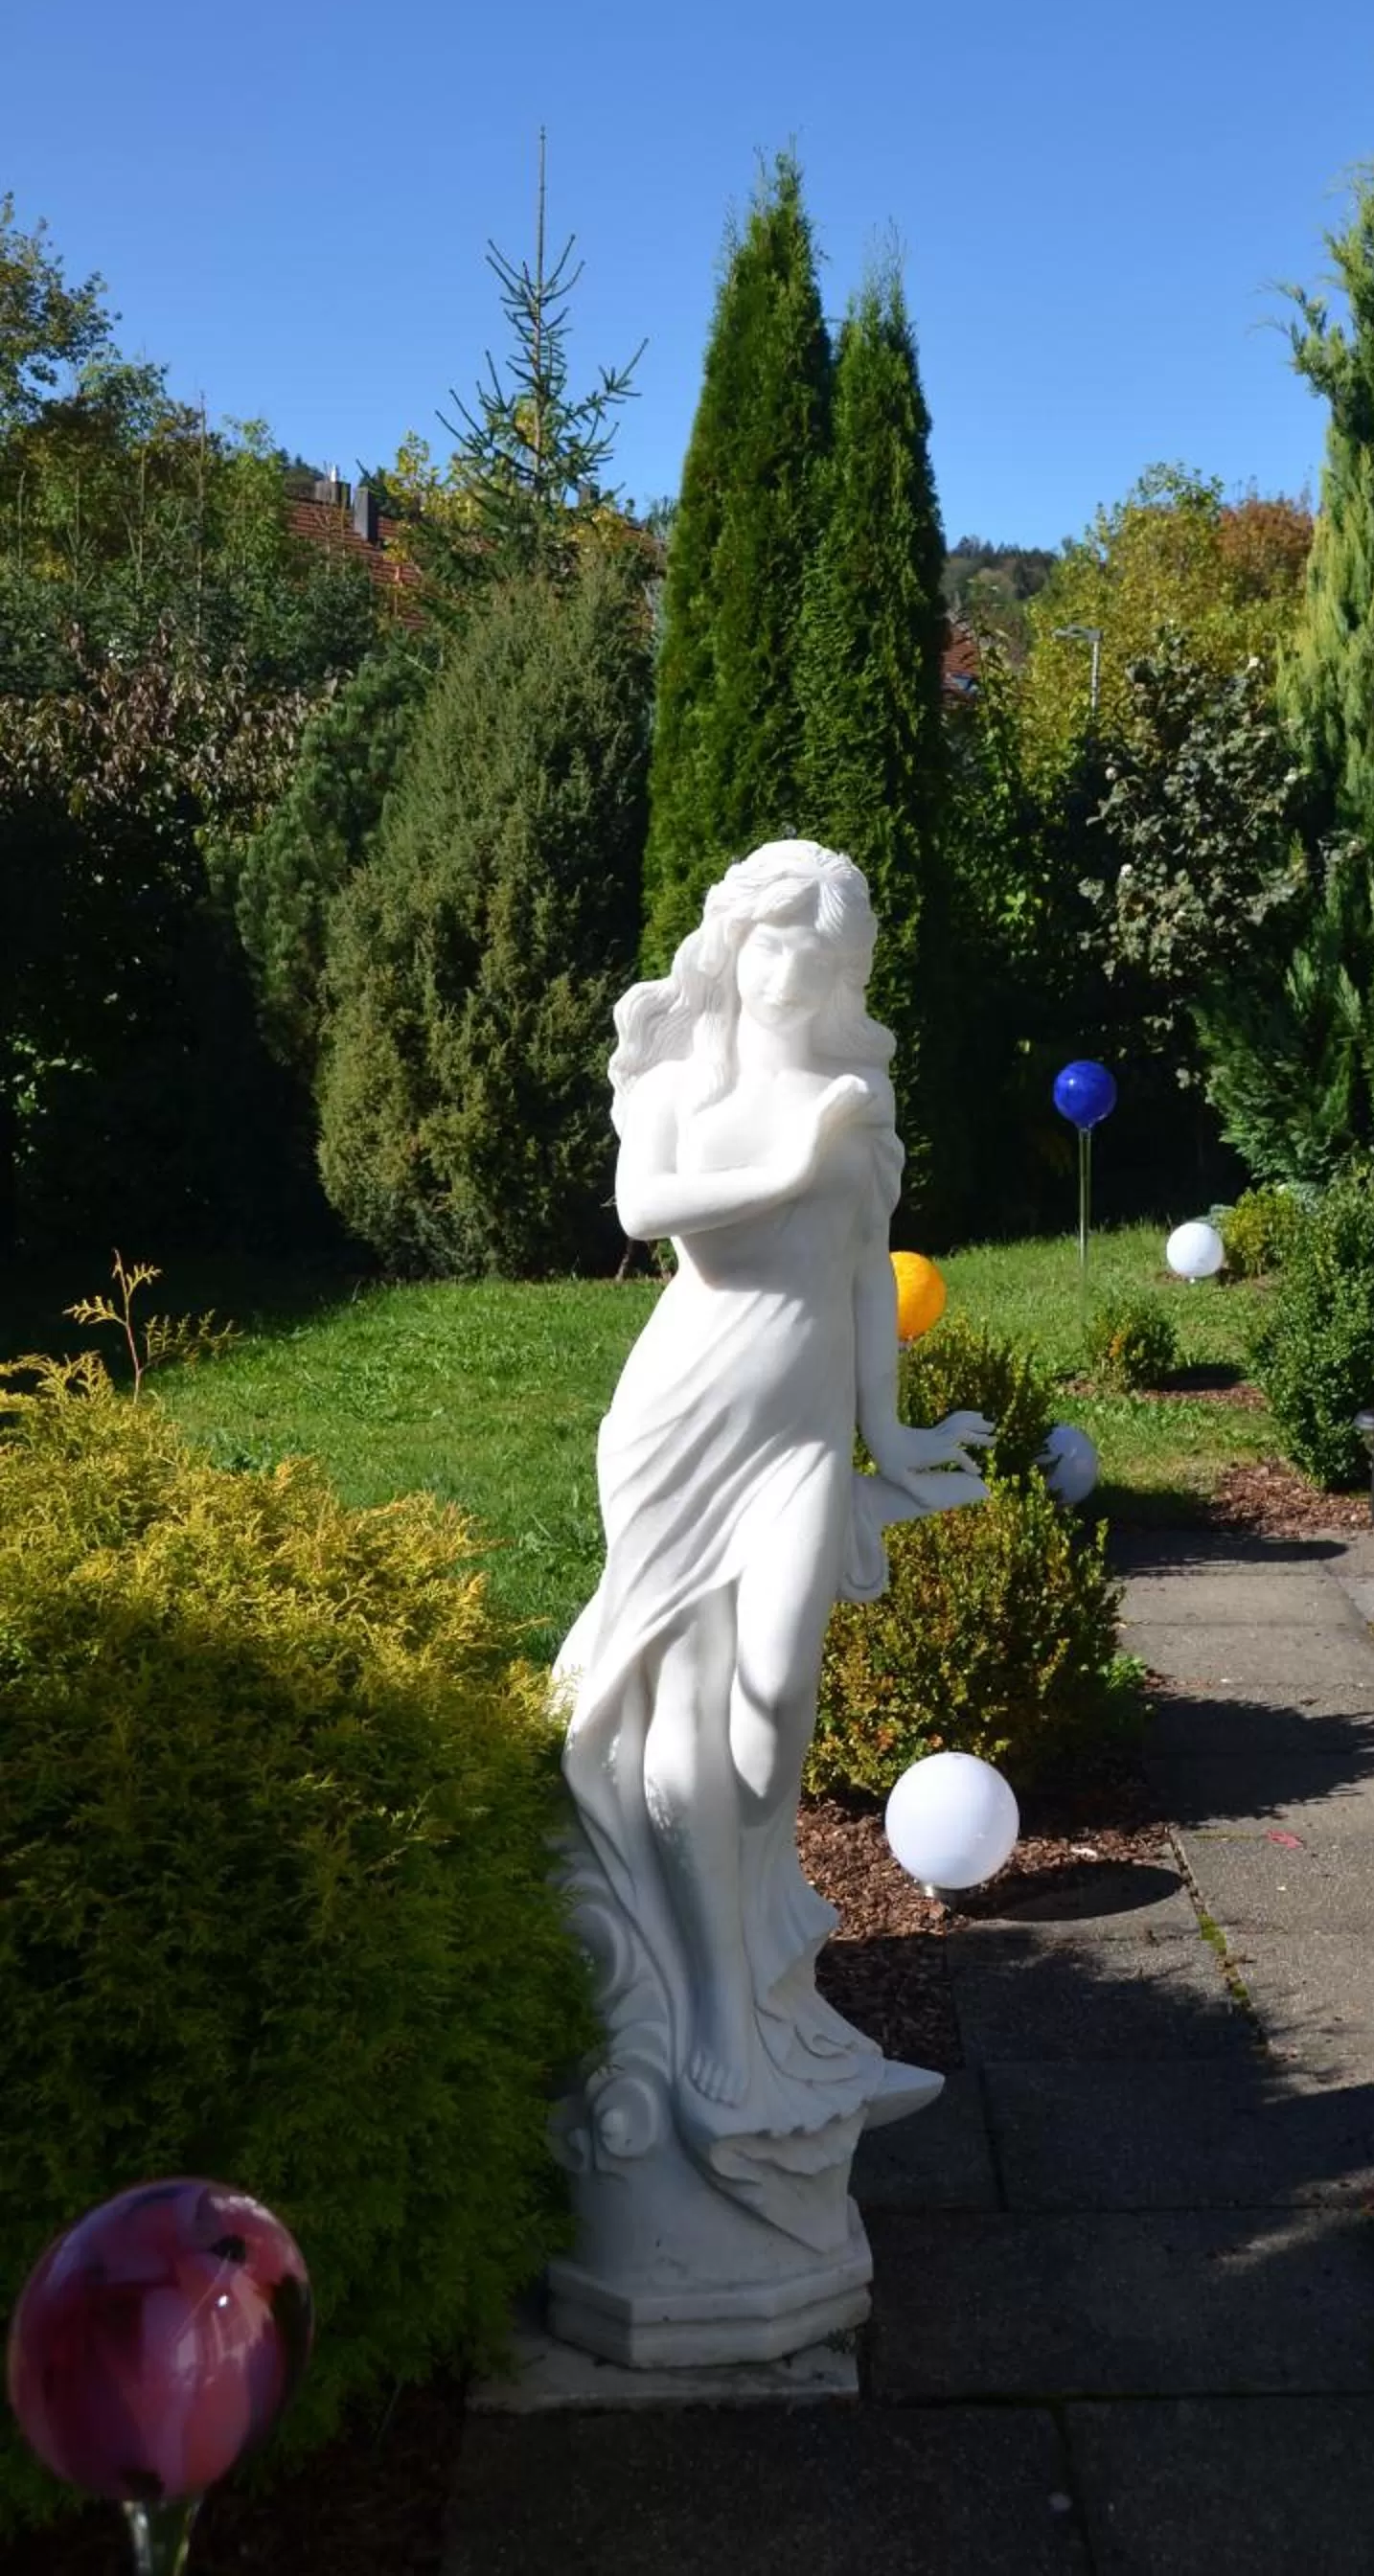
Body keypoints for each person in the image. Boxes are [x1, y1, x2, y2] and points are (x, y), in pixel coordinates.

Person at [553, 841, 990, 2156]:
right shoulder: (687, 1085)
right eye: (800, 936)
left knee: (772, 1714)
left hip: (801, 1438)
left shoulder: (854, 1088)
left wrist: (888, 1432)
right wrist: (797, 1154)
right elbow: (647, 1209)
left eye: (842, 945)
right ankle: (715, 2033)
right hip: (683, 1423)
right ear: (740, 942)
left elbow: (866, 1272)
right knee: (696, 1709)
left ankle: (762, 1990)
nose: (821, 965)